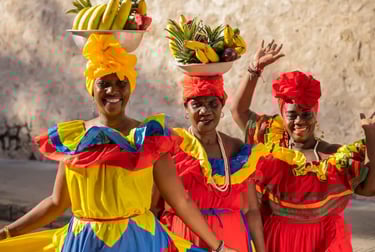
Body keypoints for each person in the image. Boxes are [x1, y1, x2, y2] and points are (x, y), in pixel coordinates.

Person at [0, 34, 237, 252]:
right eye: (104, 83)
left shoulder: (150, 138)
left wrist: (218, 247)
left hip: (137, 242)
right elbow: (56, 202)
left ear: (130, 88)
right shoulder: (73, 139)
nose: (113, 90)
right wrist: (8, 232)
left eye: (122, 83)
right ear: (91, 88)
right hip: (84, 242)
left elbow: (181, 202)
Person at [230, 40, 375, 251]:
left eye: (306, 114)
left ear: (315, 115)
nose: (299, 121)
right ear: (282, 115)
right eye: (292, 114)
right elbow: (238, 111)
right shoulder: (271, 142)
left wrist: (371, 136)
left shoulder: (332, 155)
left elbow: (369, 188)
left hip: (323, 242)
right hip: (277, 241)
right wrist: (254, 69)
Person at [152, 74, 266, 252]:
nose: (205, 111)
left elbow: (251, 209)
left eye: (213, 104)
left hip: (233, 241)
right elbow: (153, 208)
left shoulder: (238, 150)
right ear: (185, 108)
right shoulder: (171, 147)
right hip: (186, 240)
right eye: (197, 104)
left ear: (222, 107)